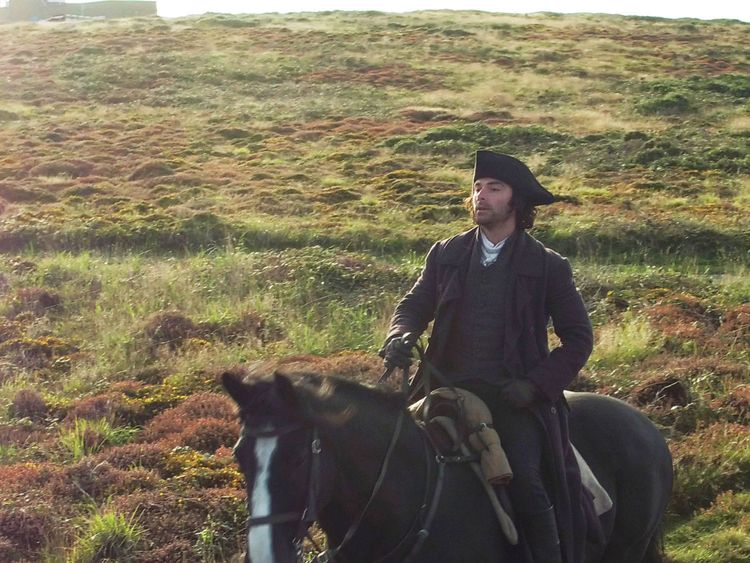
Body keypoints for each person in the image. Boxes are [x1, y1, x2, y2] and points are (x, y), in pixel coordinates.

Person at [380, 150, 594, 563]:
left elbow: (578, 340)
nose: (481, 196)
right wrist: (401, 333)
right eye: (477, 188)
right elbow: (413, 305)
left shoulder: (548, 266)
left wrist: (534, 386)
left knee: (528, 483)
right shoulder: (446, 252)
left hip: (513, 397)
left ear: (517, 201)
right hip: (443, 387)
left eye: (494, 189)